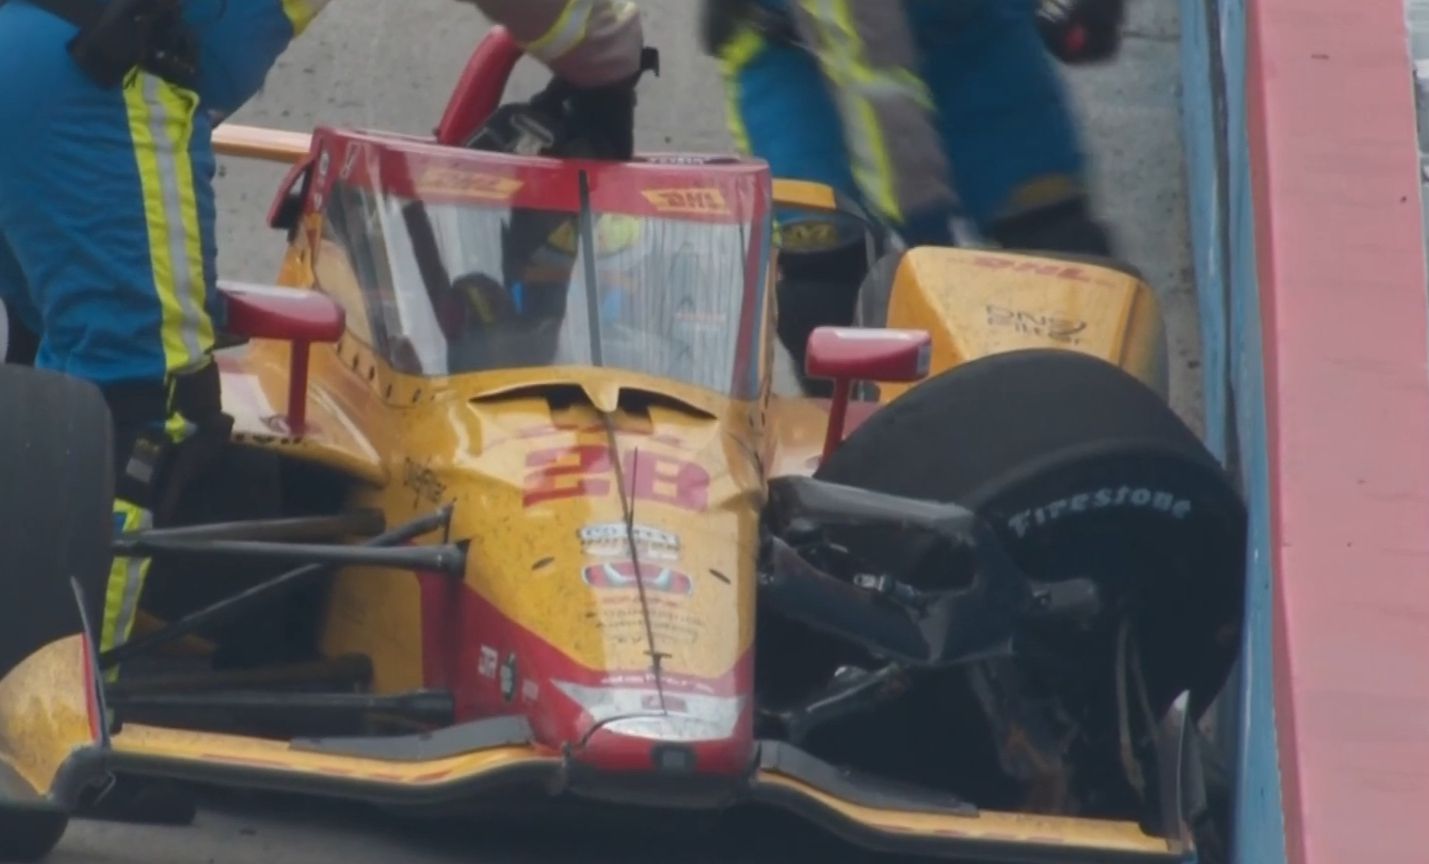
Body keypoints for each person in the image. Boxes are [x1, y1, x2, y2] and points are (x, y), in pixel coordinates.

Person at [0, 0, 644, 780]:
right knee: (143, 401)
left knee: (40, 387)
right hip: (86, 72)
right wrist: (608, 66)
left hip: (50, 55)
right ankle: (53, 724)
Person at [703, 0, 1126, 394]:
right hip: (802, 54)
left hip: (970, 36)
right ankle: (858, 456)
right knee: (823, 304)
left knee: (1071, 272)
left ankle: (1085, 449)